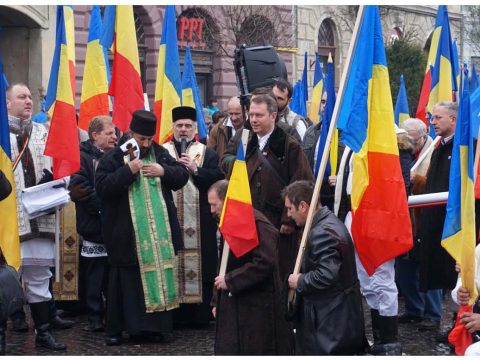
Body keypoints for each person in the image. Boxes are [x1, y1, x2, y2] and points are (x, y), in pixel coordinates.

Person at [95, 110, 189, 345]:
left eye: (149, 139)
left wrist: (164, 171)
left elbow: (181, 176)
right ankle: (118, 329)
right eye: (141, 139)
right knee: (124, 284)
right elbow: (103, 189)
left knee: (155, 279)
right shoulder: (114, 157)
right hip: (126, 236)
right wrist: (128, 171)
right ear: (131, 133)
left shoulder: (160, 153)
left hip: (159, 236)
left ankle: (153, 329)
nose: (146, 144)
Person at [221, 94, 313, 280]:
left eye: (259, 115)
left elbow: (301, 182)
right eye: (251, 115)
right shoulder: (245, 142)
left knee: (276, 273)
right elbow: (227, 166)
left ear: (273, 116)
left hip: (276, 224)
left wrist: (288, 219)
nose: (253, 120)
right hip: (248, 220)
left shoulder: (289, 146)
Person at [6, 83, 66, 350]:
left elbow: (61, 163)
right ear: (7, 103)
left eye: (30, 96)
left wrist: (54, 178)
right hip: (7, 218)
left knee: (40, 275)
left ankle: (43, 331)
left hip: (40, 217)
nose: (28, 101)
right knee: (4, 276)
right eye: (21, 97)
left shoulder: (43, 132)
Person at [208, 180, 293, 355]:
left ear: (226, 200)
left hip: (259, 309)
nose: (211, 210)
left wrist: (231, 281)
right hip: (238, 306)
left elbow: (265, 262)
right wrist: (217, 301)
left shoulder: (258, 224)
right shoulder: (229, 222)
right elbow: (222, 266)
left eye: (214, 205)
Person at [333, 144, 402, 355]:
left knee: (381, 278)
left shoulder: (385, 139)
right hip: (354, 213)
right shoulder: (353, 143)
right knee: (366, 280)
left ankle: (390, 341)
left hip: (376, 215)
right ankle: (380, 338)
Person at [283, 180, 366, 355]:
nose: (288, 214)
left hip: (330, 323)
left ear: (303, 206)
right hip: (332, 319)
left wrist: (300, 280)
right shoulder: (323, 225)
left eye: (290, 208)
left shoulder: (323, 233)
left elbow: (326, 275)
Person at [163, 106, 224, 328]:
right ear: (173, 128)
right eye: (179, 125)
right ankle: (174, 312)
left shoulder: (207, 152)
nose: (183, 130)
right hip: (170, 222)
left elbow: (217, 179)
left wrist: (195, 170)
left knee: (203, 264)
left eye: (188, 126)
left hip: (201, 223)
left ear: (195, 128)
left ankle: (200, 313)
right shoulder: (162, 151)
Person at [69, 115, 117, 332]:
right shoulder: (82, 157)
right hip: (94, 225)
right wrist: (104, 208)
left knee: (112, 275)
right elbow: (80, 189)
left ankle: (113, 314)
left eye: (115, 133)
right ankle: (94, 316)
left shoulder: (118, 156)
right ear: (95, 135)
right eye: (109, 133)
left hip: (115, 227)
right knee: (95, 275)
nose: (115, 137)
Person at [395, 118, 443, 328]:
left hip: (426, 220)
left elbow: (438, 184)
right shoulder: (398, 149)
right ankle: (413, 308)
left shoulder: (436, 152)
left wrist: (419, 181)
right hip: (404, 220)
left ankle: (433, 314)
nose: (409, 143)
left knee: (430, 268)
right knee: (404, 268)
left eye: (412, 140)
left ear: (423, 137)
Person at [416, 102, 459, 332]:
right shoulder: (437, 145)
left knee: (453, 273)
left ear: (453, 120)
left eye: (438, 118)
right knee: (433, 268)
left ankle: (456, 324)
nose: (432, 121)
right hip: (433, 218)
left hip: (452, 221)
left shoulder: (464, 147)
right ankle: (433, 316)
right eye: (432, 117)